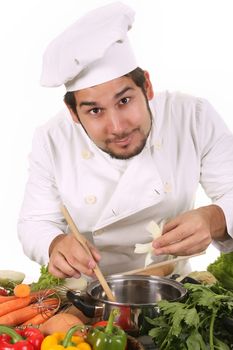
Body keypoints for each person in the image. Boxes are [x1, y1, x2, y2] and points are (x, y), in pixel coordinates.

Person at [18, 1, 233, 279]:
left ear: (147, 85)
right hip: (89, 294)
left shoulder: (192, 116)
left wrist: (213, 218)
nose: (117, 127)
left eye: (125, 100)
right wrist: (55, 244)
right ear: (72, 112)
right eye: (95, 110)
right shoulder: (52, 139)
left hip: (173, 287)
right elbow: (35, 222)